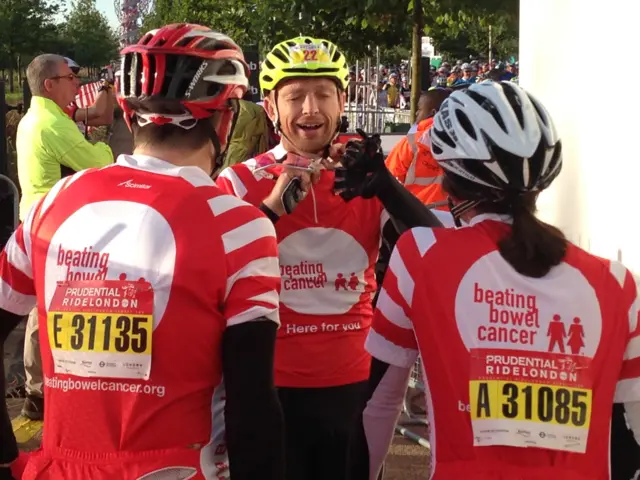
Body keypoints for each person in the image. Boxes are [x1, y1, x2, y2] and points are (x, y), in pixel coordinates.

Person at [0, 23, 284, 480]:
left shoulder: (51, 205)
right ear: (226, 118)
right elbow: (252, 406)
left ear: (129, 116)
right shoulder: (241, 226)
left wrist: (6, 456)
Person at [356, 81, 640, 479]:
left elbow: (379, 405)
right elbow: (628, 433)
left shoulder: (419, 255)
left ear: (449, 182)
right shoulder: (618, 283)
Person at [215, 36, 442, 480]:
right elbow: (217, 277)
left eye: (323, 94)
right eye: (295, 96)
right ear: (271, 107)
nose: (310, 110)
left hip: (354, 384)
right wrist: (270, 212)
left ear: (342, 99)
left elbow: (437, 257)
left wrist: (386, 188)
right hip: (267, 386)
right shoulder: (240, 182)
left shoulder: (364, 176)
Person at [15, 53, 114, 423]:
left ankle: (40, 389)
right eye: (70, 77)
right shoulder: (52, 124)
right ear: (49, 84)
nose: (76, 82)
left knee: (45, 305)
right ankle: (40, 391)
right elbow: (100, 163)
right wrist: (104, 147)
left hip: (41, 220)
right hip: (53, 226)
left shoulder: (43, 116)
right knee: (47, 306)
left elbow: (99, 115)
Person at [385, 87, 452, 214]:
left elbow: (387, 178)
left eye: (420, 109)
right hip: (455, 219)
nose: (416, 113)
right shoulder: (467, 143)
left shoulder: (411, 143)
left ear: (432, 112)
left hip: (417, 216)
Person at [62, 57, 116, 133]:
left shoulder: (70, 105)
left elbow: (106, 119)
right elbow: (96, 111)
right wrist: (104, 84)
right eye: (70, 77)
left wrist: (109, 86)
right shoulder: (60, 108)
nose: (77, 81)